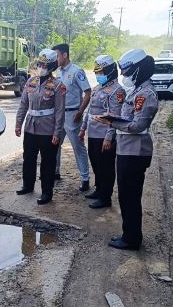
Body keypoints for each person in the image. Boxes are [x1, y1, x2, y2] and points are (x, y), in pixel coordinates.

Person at [96, 49, 158, 250]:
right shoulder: (137, 90)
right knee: (125, 196)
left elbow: (137, 125)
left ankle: (131, 239)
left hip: (135, 151)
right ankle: (129, 234)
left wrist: (112, 122)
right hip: (127, 150)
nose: (123, 75)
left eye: (127, 71)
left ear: (139, 69)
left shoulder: (145, 94)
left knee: (130, 196)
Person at [15, 49, 66, 205]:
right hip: (30, 127)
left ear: (51, 66)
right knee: (28, 158)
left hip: (48, 129)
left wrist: (57, 132)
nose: (41, 67)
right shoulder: (31, 81)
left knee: (47, 162)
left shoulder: (58, 86)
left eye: (44, 64)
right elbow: (23, 104)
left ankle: (46, 192)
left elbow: (59, 111)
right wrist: (18, 123)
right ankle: (28, 185)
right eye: (40, 64)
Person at [79, 55, 125, 209]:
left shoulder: (117, 91)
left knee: (106, 167)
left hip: (105, 135)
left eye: (101, 72)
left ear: (111, 71)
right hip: (93, 134)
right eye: (97, 72)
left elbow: (115, 117)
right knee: (96, 164)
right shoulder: (97, 88)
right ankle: (98, 190)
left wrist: (108, 138)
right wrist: (83, 128)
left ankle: (106, 197)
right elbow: (89, 111)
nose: (99, 75)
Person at [52, 43, 91, 192]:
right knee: (55, 144)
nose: (55, 59)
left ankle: (85, 178)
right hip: (59, 114)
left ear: (64, 55)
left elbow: (87, 93)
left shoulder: (77, 72)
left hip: (72, 114)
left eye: (57, 56)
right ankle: (55, 172)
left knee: (78, 147)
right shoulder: (58, 72)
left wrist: (80, 112)